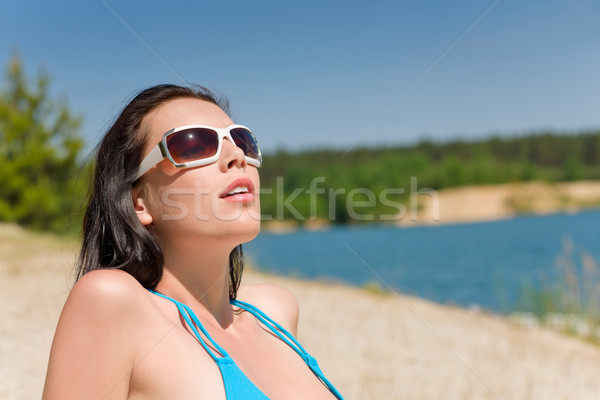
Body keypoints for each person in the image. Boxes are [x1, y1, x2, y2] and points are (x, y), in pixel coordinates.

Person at [42, 84, 344, 399]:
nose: (236, 156)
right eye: (193, 144)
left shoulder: (275, 312)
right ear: (139, 203)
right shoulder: (112, 302)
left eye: (243, 141)